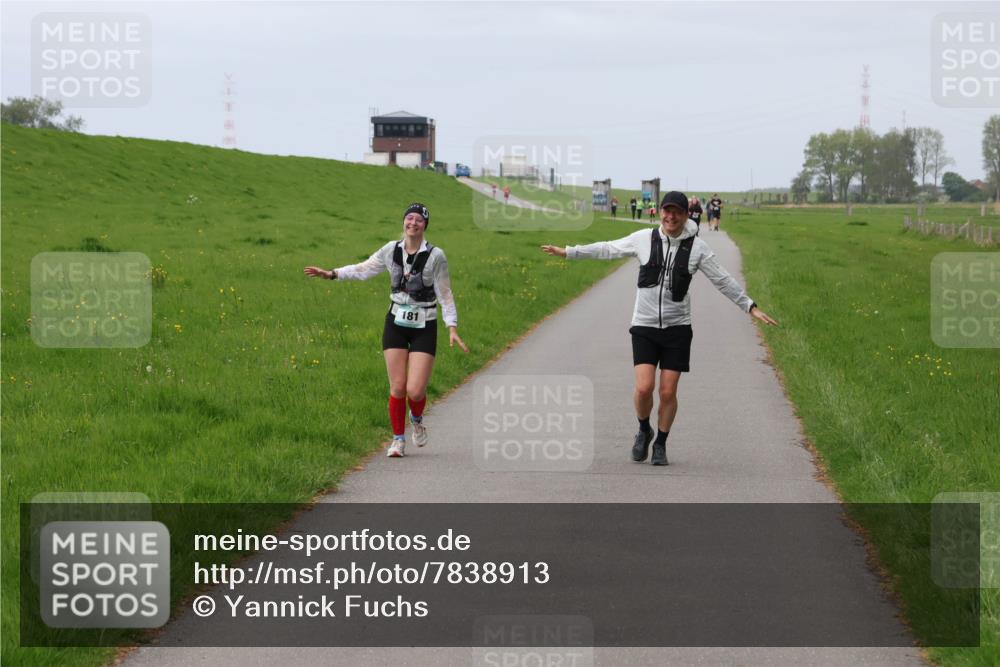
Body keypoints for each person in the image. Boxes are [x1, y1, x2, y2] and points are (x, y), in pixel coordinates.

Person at [540, 191, 777, 466]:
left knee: (667, 392)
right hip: (644, 325)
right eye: (667, 211)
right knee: (644, 388)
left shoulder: (697, 248)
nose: (671, 217)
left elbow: (722, 279)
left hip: (678, 329)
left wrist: (750, 306)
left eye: (677, 212)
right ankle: (644, 429)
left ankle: (661, 443)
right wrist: (570, 252)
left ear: (686, 215)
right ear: (660, 212)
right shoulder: (644, 238)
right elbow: (608, 248)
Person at [304, 203, 469, 458]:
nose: (413, 223)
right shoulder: (391, 250)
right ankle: (398, 440)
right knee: (398, 387)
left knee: (415, 391)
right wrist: (332, 274)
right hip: (396, 323)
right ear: (404, 221)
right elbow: (363, 269)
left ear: (425, 225)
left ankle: (416, 419)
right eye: (409, 218)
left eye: (419, 220)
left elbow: (445, 293)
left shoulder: (436, 256)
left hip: (425, 324)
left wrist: (452, 326)